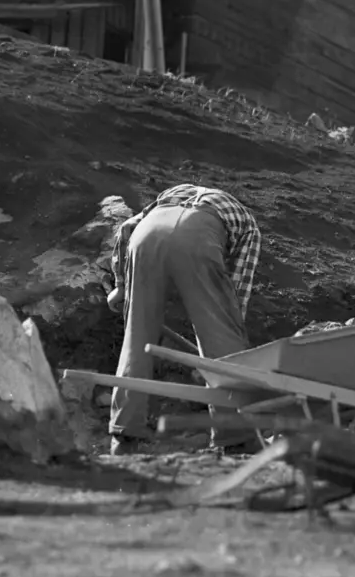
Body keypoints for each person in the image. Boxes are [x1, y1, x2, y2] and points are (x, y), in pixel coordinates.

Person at [106, 183, 262, 456]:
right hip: (199, 238)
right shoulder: (248, 226)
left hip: (147, 234)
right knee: (222, 341)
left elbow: (127, 228)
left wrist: (121, 284)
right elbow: (236, 293)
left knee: (137, 336)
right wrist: (230, 324)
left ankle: (123, 436)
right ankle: (235, 437)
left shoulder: (173, 193)